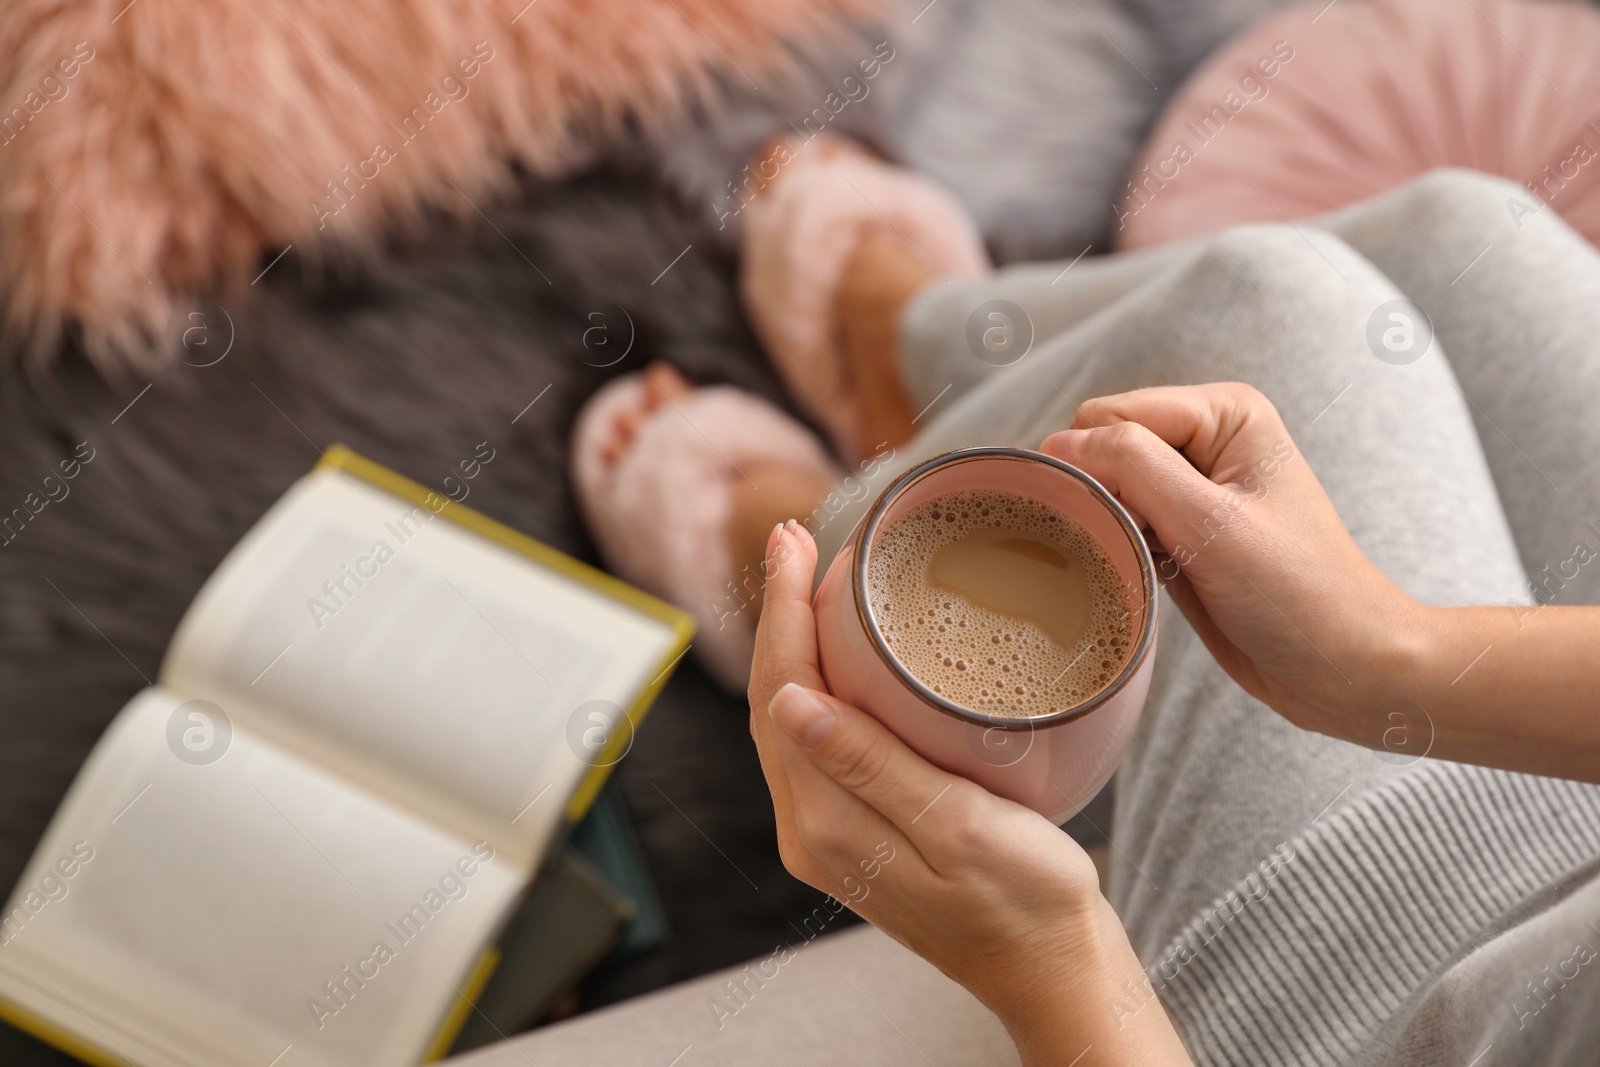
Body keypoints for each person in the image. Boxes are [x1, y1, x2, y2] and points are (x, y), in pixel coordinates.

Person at [568, 144, 1600, 1063]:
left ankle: (797, 545)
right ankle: (911, 369)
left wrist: (1053, 967)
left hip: (1379, 1001)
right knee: (1465, 233)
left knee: (1268, 307)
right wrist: (1389, 656)